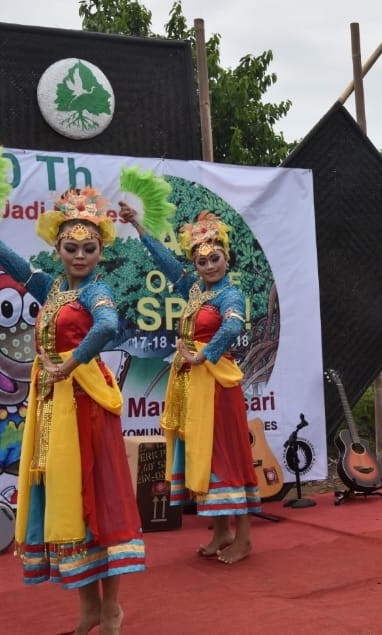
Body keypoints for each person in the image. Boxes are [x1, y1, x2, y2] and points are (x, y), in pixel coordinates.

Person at [0, 176, 145, 635]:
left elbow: (107, 325)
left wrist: (70, 363)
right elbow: (2, 254)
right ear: (58, 247)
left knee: (94, 500)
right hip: (53, 409)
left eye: (89, 248)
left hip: (87, 409)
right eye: (72, 246)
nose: (80, 255)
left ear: (100, 252)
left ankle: (112, 611)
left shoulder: (96, 292)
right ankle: (88, 608)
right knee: (65, 502)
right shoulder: (49, 288)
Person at [118, 200, 261, 565]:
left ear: (226, 258)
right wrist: (139, 227)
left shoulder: (230, 295)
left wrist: (205, 354)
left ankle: (243, 538)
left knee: (226, 457)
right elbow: (166, 262)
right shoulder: (195, 291)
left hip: (217, 388)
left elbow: (232, 325)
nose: (210, 265)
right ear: (195, 264)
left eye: (215, 258)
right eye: (202, 261)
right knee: (203, 456)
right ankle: (220, 532)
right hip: (191, 386)